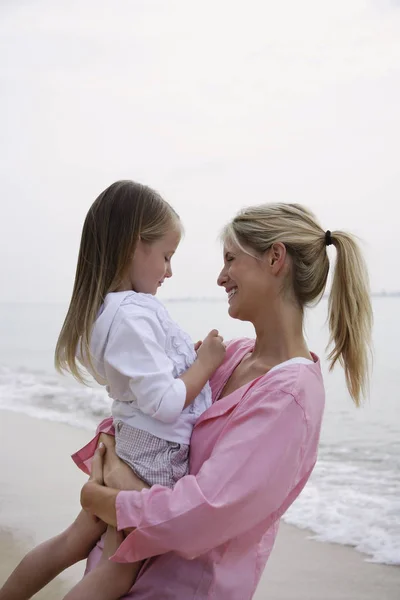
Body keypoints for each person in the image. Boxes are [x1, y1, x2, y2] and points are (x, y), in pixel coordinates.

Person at [72, 203, 373, 599]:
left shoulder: (290, 396)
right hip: (111, 573)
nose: (220, 277)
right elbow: (143, 405)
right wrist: (112, 455)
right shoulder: (230, 355)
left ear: (275, 258)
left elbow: (202, 514)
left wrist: (105, 497)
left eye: (231, 259)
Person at [0, 180, 225, 600]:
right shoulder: (135, 314)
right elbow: (165, 402)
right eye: (166, 256)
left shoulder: (109, 313)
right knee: (118, 572)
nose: (169, 271)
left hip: (134, 444)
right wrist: (206, 364)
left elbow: (144, 381)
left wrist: (184, 363)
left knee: (72, 541)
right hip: (155, 455)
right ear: (133, 245)